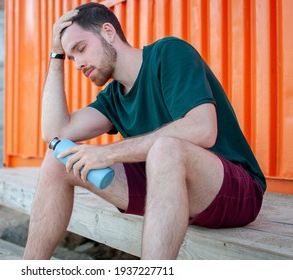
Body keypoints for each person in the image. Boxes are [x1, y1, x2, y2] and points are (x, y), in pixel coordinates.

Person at [23, 2, 266, 260]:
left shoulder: (169, 53)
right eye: (71, 57)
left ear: (108, 32)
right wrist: (55, 55)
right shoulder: (113, 98)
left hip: (233, 191)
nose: (78, 64)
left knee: (166, 148)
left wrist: (109, 153)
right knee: (59, 157)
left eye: (80, 49)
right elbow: (54, 132)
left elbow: (203, 129)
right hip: (168, 190)